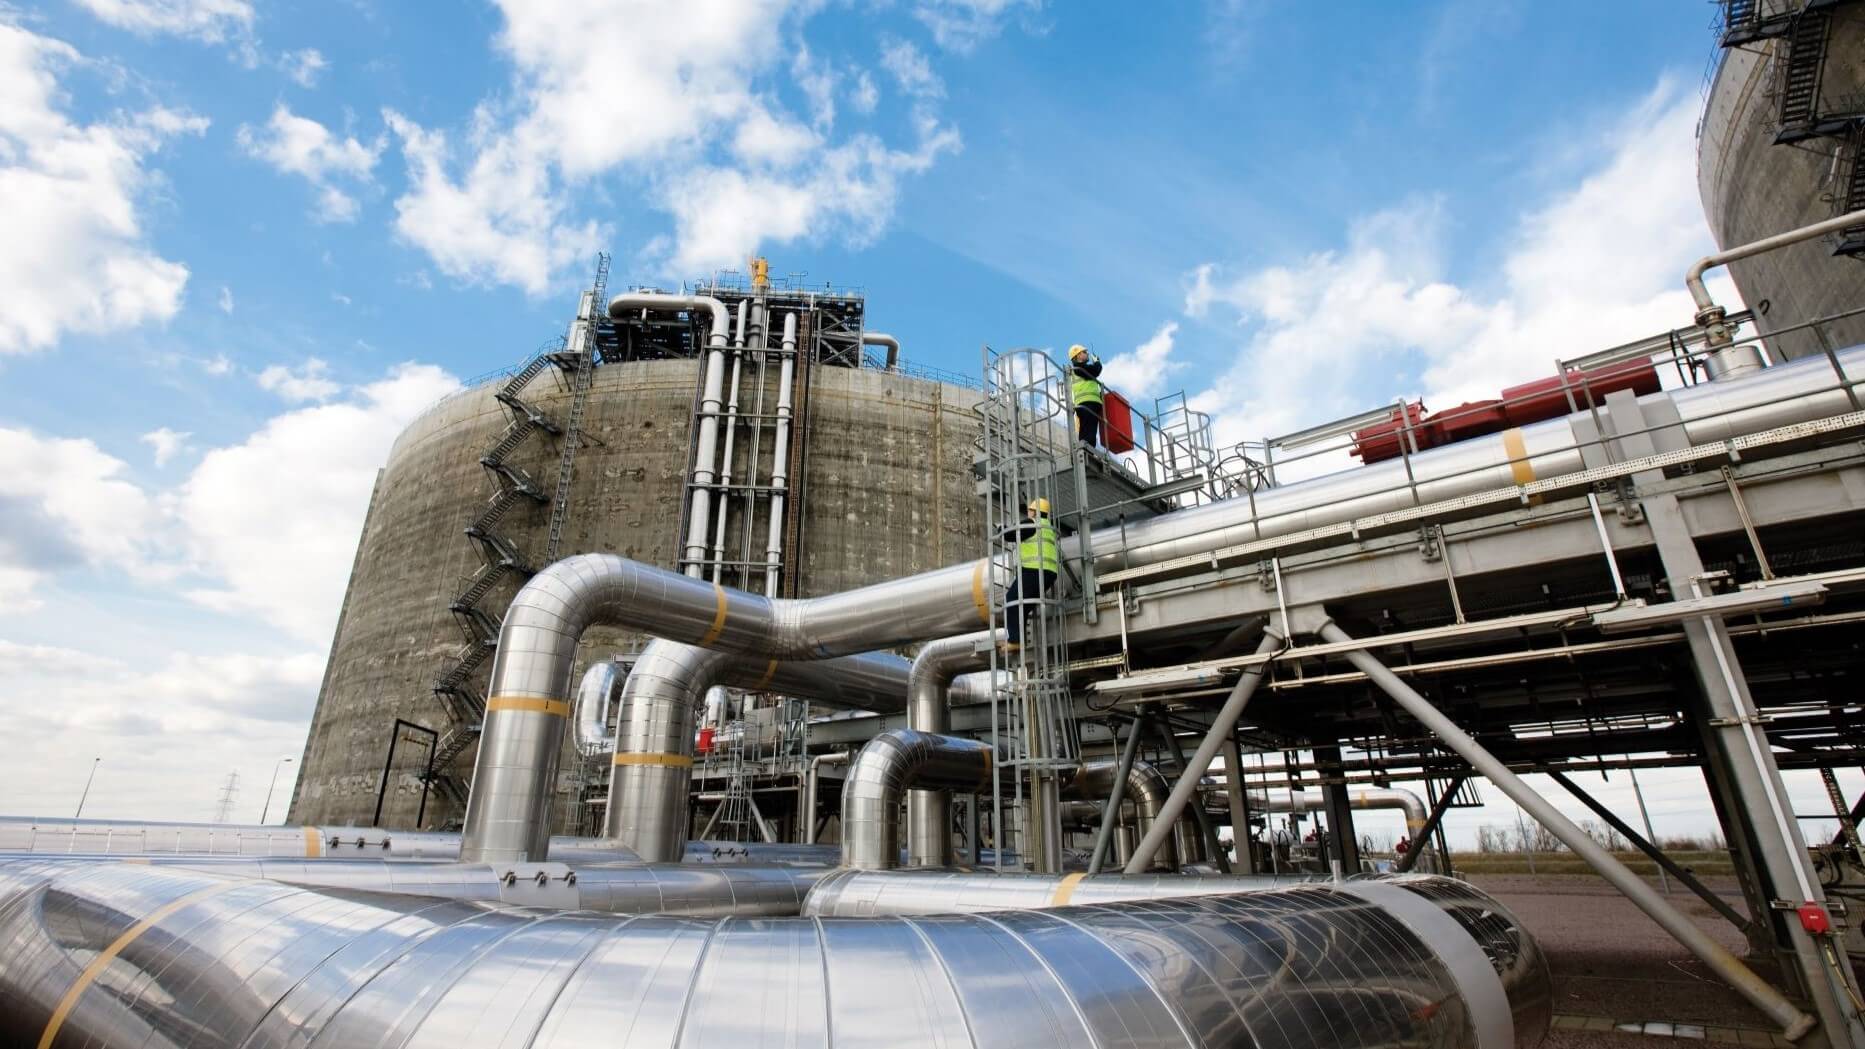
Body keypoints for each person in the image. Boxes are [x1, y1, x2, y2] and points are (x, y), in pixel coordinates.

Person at [1000, 497, 1059, 649]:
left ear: (1034, 512)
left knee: (1012, 600)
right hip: (1049, 573)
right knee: (1024, 606)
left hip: (1034, 569)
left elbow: (1009, 535)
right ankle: (1019, 640)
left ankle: (1014, 641)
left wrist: (1001, 529)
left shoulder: (1032, 523)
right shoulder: (1048, 527)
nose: (1028, 513)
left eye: (1030, 510)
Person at [1068, 344, 1104, 448]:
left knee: (1089, 430)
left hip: (1090, 403)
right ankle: (1086, 450)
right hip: (1086, 403)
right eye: (1084, 352)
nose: (1087, 353)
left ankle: (1087, 450)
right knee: (1088, 431)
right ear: (1077, 355)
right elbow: (1095, 371)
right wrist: (1097, 362)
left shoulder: (1082, 368)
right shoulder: (1078, 368)